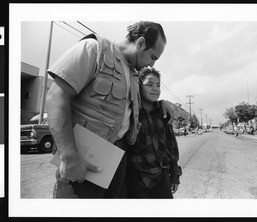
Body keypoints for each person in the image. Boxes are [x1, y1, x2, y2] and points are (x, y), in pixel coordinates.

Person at [46, 21, 174, 198]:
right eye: (153, 57)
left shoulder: (133, 74)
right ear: (141, 43)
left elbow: (143, 107)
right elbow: (56, 97)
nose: (151, 64)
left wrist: (162, 103)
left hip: (117, 160)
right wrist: (69, 156)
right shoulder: (94, 49)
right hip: (83, 160)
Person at [126, 67, 182, 198]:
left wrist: (174, 174)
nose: (155, 88)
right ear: (138, 86)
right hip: (138, 179)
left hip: (162, 177)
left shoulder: (163, 113)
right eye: (149, 85)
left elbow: (171, 145)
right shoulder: (131, 113)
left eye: (158, 85)